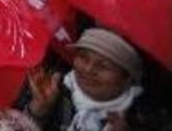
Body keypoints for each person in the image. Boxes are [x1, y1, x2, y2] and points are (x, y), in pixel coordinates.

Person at [26, 28, 171, 131]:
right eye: (83, 58)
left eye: (104, 66)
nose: (88, 69)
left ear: (127, 78)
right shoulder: (56, 89)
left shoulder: (145, 119)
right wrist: (39, 110)